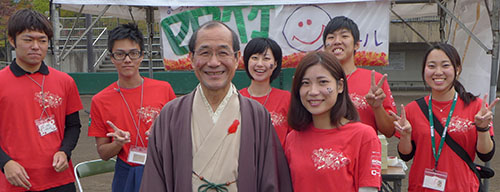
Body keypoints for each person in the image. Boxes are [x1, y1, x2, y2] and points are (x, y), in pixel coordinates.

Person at [140, 21, 293, 192]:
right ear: (191, 58)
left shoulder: (257, 116)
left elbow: (270, 179)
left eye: (223, 53)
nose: (214, 62)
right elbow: (155, 180)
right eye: (205, 53)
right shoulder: (171, 115)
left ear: (236, 59)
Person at [392, 43, 497, 191]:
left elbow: (486, 155)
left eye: (445, 65)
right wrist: (405, 135)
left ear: (457, 69)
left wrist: (483, 128)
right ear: (424, 70)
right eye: (432, 66)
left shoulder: (476, 107)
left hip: (463, 187)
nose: (438, 72)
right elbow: (406, 155)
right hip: (421, 187)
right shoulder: (412, 109)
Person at [0, 9, 83, 191]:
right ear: (12, 40)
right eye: (28, 40)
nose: (36, 46)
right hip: (15, 181)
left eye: (42, 40)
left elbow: (73, 125)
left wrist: (65, 151)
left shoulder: (65, 81)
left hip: (59, 179)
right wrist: (5, 163)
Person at [88, 23, 176, 192]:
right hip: (126, 172)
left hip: (160, 167)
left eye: (133, 53)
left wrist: (162, 135)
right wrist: (118, 144)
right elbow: (104, 153)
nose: (127, 59)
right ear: (112, 57)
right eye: (120, 54)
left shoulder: (164, 89)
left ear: (142, 56)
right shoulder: (100, 100)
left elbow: (180, 136)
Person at [285, 51, 381, 192]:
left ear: (340, 86)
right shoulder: (292, 139)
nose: (313, 91)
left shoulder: (364, 136)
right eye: (305, 83)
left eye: (323, 82)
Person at [323, 16, 396, 137]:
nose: (337, 41)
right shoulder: (315, 83)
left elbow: (390, 131)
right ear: (325, 47)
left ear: (357, 45)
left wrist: (377, 107)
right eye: (331, 37)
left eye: (344, 36)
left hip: (363, 152)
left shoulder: (375, 81)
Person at [240, 37, 291, 146]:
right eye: (254, 58)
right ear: (247, 61)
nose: (259, 64)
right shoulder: (236, 98)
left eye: (266, 58)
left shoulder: (287, 99)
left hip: (277, 162)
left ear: (275, 64)